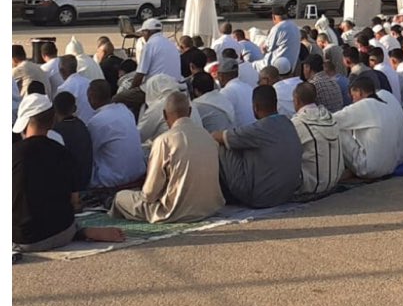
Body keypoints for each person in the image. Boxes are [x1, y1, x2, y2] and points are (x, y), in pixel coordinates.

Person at [13, 94, 125, 251]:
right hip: (63, 232)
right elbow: (75, 201)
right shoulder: (63, 152)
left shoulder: (14, 153)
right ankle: (79, 231)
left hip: (24, 239)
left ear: (24, 123)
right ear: (52, 121)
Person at [111, 91, 225, 223]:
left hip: (176, 211)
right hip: (210, 207)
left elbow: (149, 194)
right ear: (189, 111)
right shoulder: (207, 136)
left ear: (165, 115)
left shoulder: (164, 141)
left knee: (120, 198)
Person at [211, 85, 302, 208]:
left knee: (224, 145)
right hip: (287, 194)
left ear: (255, 107)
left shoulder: (260, 128)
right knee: (238, 143)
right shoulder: (288, 123)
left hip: (261, 198)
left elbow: (219, 136)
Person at [334, 74, 403, 177]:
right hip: (392, 165)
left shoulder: (363, 105)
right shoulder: (385, 104)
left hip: (369, 169)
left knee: (336, 127)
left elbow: (332, 119)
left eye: (353, 96)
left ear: (359, 92)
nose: (353, 101)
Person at [84, 81, 147, 191]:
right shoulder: (124, 110)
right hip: (138, 171)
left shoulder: (96, 122)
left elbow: (89, 152)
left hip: (114, 179)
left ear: (91, 97)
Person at [288, 82, 345, 196]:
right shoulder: (330, 118)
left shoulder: (298, 124)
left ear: (296, 100)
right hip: (333, 181)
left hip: (310, 186)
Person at [50, 91, 94, 193]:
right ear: (74, 108)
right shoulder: (81, 125)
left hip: (72, 186)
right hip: (86, 179)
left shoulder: (56, 132)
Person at [133, 17, 183, 85]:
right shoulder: (171, 43)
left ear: (147, 32)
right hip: (175, 84)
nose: (142, 35)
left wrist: (131, 89)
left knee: (121, 96)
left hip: (157, 87)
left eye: (143, 32)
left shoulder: (149, 45)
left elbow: (140, 73)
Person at [56, 55, 95, 122]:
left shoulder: (63, 88)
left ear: (62, 71)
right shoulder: (89, 82)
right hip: (94, 121)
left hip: (78, 125)